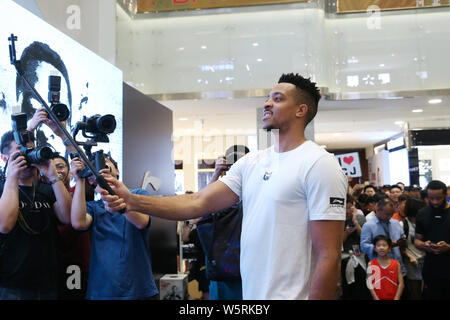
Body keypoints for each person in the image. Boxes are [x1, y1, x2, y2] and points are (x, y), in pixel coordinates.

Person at [100, 73, 348, 300]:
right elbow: (198, 202)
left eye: (278, 98)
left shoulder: (319, 163)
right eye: (268, 98)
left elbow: (329, 255)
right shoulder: (253, 162)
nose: (267, 103)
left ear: (300, 110)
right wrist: (132, 200)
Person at [70, 155, 158, 300]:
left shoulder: (137, 195)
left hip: (139, 290)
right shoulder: (93, 207)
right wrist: (79, 180)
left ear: (116, 171)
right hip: (101, 291)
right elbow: (78, 223)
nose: (100, 170)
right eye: (95, 169)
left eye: (105, 165)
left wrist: (115, 196)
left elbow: (141, 222)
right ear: (91, 179)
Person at [0, 130, 71, 300]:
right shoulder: (3, 189)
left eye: (30, 150)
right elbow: (5, 225)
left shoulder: (47, 189)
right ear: (4, 157)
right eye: (20, 150)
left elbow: (67, 218)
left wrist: (53, 176)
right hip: (12, 283)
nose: (27, 155)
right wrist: (11, 177)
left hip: (47, 280)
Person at [198, 145, 249, 300]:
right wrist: (216, 174)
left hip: (248, 270)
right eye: (232, 159)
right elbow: (199, 212)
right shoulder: (220, 191)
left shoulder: (255, 187)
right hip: (221, 270)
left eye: (240, 159)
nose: (236, 163)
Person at [414, 180, 450, 299]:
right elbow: (417, 240)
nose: (435, 202)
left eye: (439, 198)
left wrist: (448, 247)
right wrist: (425, 245)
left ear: (446, 195)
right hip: (431, 268)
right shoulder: (422, 214)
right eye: (431, 198)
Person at [360, 197, 407, 277]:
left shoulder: (395, 223)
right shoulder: (369, 225)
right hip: (379, 269)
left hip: (398, 266)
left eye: (391, 214)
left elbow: (403, 237)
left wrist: (401, 241)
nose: (389, 217)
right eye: (387, 214)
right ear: (378, 210)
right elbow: (364, 246)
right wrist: (382, 247)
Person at [340, 194, 370, 300]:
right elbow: (337, 243)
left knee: (361, 287)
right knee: (347, 288)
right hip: (344, 258)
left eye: (350, 207)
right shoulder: (337, 220)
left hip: (360, 256)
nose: (348, 211)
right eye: (345, 208)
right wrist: (347, 233)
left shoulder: (360, 218)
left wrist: (356, 223)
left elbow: (364, 238)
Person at [367, 235, 404, 300]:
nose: (381, 247)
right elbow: (370, 284)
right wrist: (376, 298)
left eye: (384, 245)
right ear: (375, 248)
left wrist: (397, 298)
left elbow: (401, 283)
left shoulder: (396, 264)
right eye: (378, 245)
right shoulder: (371, 264)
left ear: (389, 249)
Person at [402, 197, 426, 300]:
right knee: (414, 291)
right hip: (411, 262)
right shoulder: (403, 224)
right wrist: (410, 256)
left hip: (426, 259)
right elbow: (400, 248)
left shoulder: (425, 222)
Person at [181, 217, 209, 300]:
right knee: (207, 293)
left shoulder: (214, 228)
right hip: (203, 268)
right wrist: (190, 224)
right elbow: (184, 238)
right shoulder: (197, 232)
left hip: (215, 267)